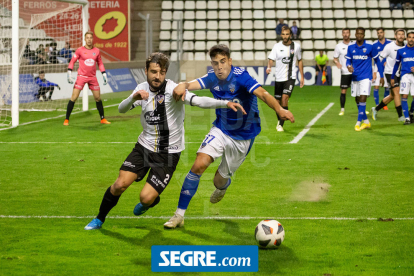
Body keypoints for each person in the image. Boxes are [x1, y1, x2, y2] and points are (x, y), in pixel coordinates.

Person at [84, 52, 246, 230]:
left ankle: (150, 201)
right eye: (154, 72)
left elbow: (198, 101)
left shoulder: (173, 89)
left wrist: (225, 103)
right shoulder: (141, 89)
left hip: (168, 154)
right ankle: (99, 219)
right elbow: (122, 109)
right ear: (146, 71)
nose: (157, 76)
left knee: (145, 198)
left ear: (165, 73)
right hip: (144, 147)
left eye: (161, 72)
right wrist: (134, 98)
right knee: (119, 185)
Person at [162, 45, 295, 229]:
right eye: (215, 63)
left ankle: (223, 186)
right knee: (199, 164)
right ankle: (178, 215)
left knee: (218, 181)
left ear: (229, 61)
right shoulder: (211, 78)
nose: (219, 67)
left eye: (223, 62)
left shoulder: (241, 77)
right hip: (221, 130)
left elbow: (263, 93)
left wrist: (279, 109)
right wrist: (182, 86)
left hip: (244, 137)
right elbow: (191, 84)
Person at [65, 31, 109, 126]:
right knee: (74, 97)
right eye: (87, 38)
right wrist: (69, 72)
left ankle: (102, 118)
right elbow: (72, 61)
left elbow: (100, 63)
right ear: (85, 39)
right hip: (81, 77)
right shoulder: (79, 50)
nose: (89, 39)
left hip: (92, 77)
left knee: (97, 98)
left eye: (90, 38)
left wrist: (104, 74)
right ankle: (66, 119)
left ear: (92, 39)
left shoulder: (96, 51)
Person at [346, 27, 384, 131]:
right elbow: (348, 61)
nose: (359, 35)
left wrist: (381, 75)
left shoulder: (370, 47)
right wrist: (348, 66)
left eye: (361, 34)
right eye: (358, 34)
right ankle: (366, 122)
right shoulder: (350, 48)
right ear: (355, 35)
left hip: (366, 77)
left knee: (363, 98)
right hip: (355, 77)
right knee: (357, 99)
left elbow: (377, 61)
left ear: (364, 35)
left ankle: (358, 123)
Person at [266, 26, 304, 132]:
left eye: (287, 34)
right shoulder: (276, 46)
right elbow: (271, 58)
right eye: (283, 34)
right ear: (281, 35)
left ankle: (280, 124)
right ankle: (280, 120)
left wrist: (302, 76)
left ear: (290, 35)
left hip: (290, 77)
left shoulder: (296, 46)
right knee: (277, 102)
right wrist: (269, 67)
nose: (285, 36)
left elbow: (300, 60)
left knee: (284, 98)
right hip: (279, 78)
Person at [371, 29, 406, 121]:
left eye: (402, 34)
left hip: (400, 74)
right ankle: (400, 116)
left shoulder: (405, 47)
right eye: (399, 34)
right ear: (395, 36)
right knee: (397, 92)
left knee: (392, 95)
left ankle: (375, 109)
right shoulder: (389, 46)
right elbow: (379, 59)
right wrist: (375, 71)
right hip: (390, 73)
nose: (401, 36)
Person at [391, 31, 414, 124]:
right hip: (405, 76)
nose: (411, 39)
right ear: (406, 38)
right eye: (410, 37)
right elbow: (396, 65)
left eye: (413, 37)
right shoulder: (401, 51)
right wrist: (392, 77)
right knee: (404, 96)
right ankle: (407, 118)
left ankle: (411, 111)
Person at [333, 28, 354, 115]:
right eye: (344, 33)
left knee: (358, 92)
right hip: (345, 72)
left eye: (347, 33)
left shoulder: (354, 45)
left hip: (354, 72)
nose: (345, 34)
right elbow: (335, 58)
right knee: (343, 91)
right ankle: (342, 109)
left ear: (350, 34)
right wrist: (337, 63)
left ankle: (362, 109)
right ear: (342, 34)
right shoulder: (338, 46)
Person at [372, 28, 392, 109]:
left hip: (388, 68)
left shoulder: (390, 43)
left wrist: (388, 61)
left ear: (384, 33)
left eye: (381, 32)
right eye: (378, 33)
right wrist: (374, 71)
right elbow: (374, 58)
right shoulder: (374, 45)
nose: (379, 34)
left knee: (387, 87)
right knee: (376, 86)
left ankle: (384, 104)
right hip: (377, 68)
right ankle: (377, 104)